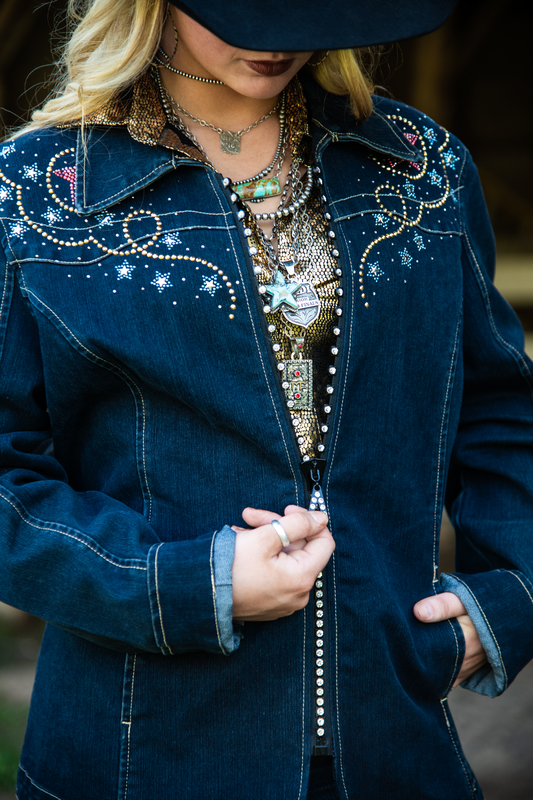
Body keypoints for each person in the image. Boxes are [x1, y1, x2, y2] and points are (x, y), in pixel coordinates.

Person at [1, 0, 532, 797]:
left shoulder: (422, 167)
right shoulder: (34, 196)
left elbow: (499, 413)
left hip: (394, 744)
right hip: (138, 754)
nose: (276, 38)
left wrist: (506, 601)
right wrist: (187, 583)